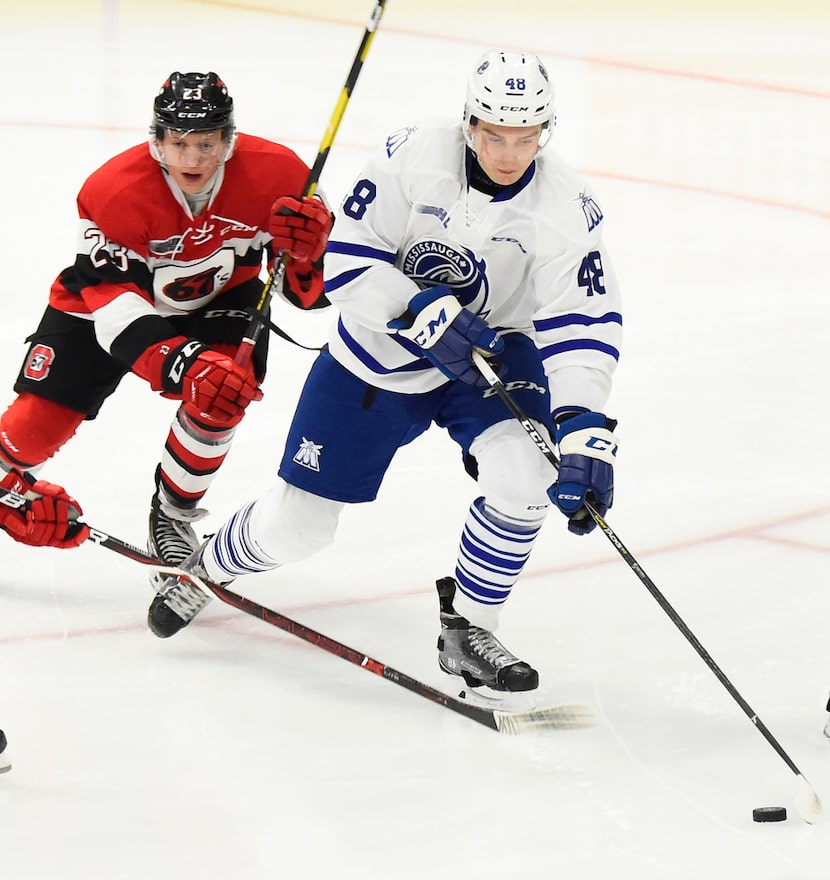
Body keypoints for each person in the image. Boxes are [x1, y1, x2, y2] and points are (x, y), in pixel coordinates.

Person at [147, 51, 623, 699]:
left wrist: (584, 426)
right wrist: (416, 310)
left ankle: (469, 631)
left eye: (526, 137)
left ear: (546, 131)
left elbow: (582, 321)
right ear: (468, 123)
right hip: (377, 355)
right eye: (493, 135)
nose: (509, 154)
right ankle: (206, 569)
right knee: (301, 527)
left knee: (529, 474)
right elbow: (344, 259)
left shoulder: (568, 205)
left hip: (486, 356)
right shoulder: (411, 156)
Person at [0, 71, 333, 577]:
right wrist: (184, 365)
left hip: (220, 297)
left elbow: (307, 295)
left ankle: (173, 516)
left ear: (229, 139)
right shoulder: (114, 191)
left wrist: (309, 260)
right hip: (104, 306)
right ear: (156, 141)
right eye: (179, 142)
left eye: (206, 143)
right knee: (31, 432)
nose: (193, 158)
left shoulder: (282, 176)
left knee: (226, 388)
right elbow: (115, 312)